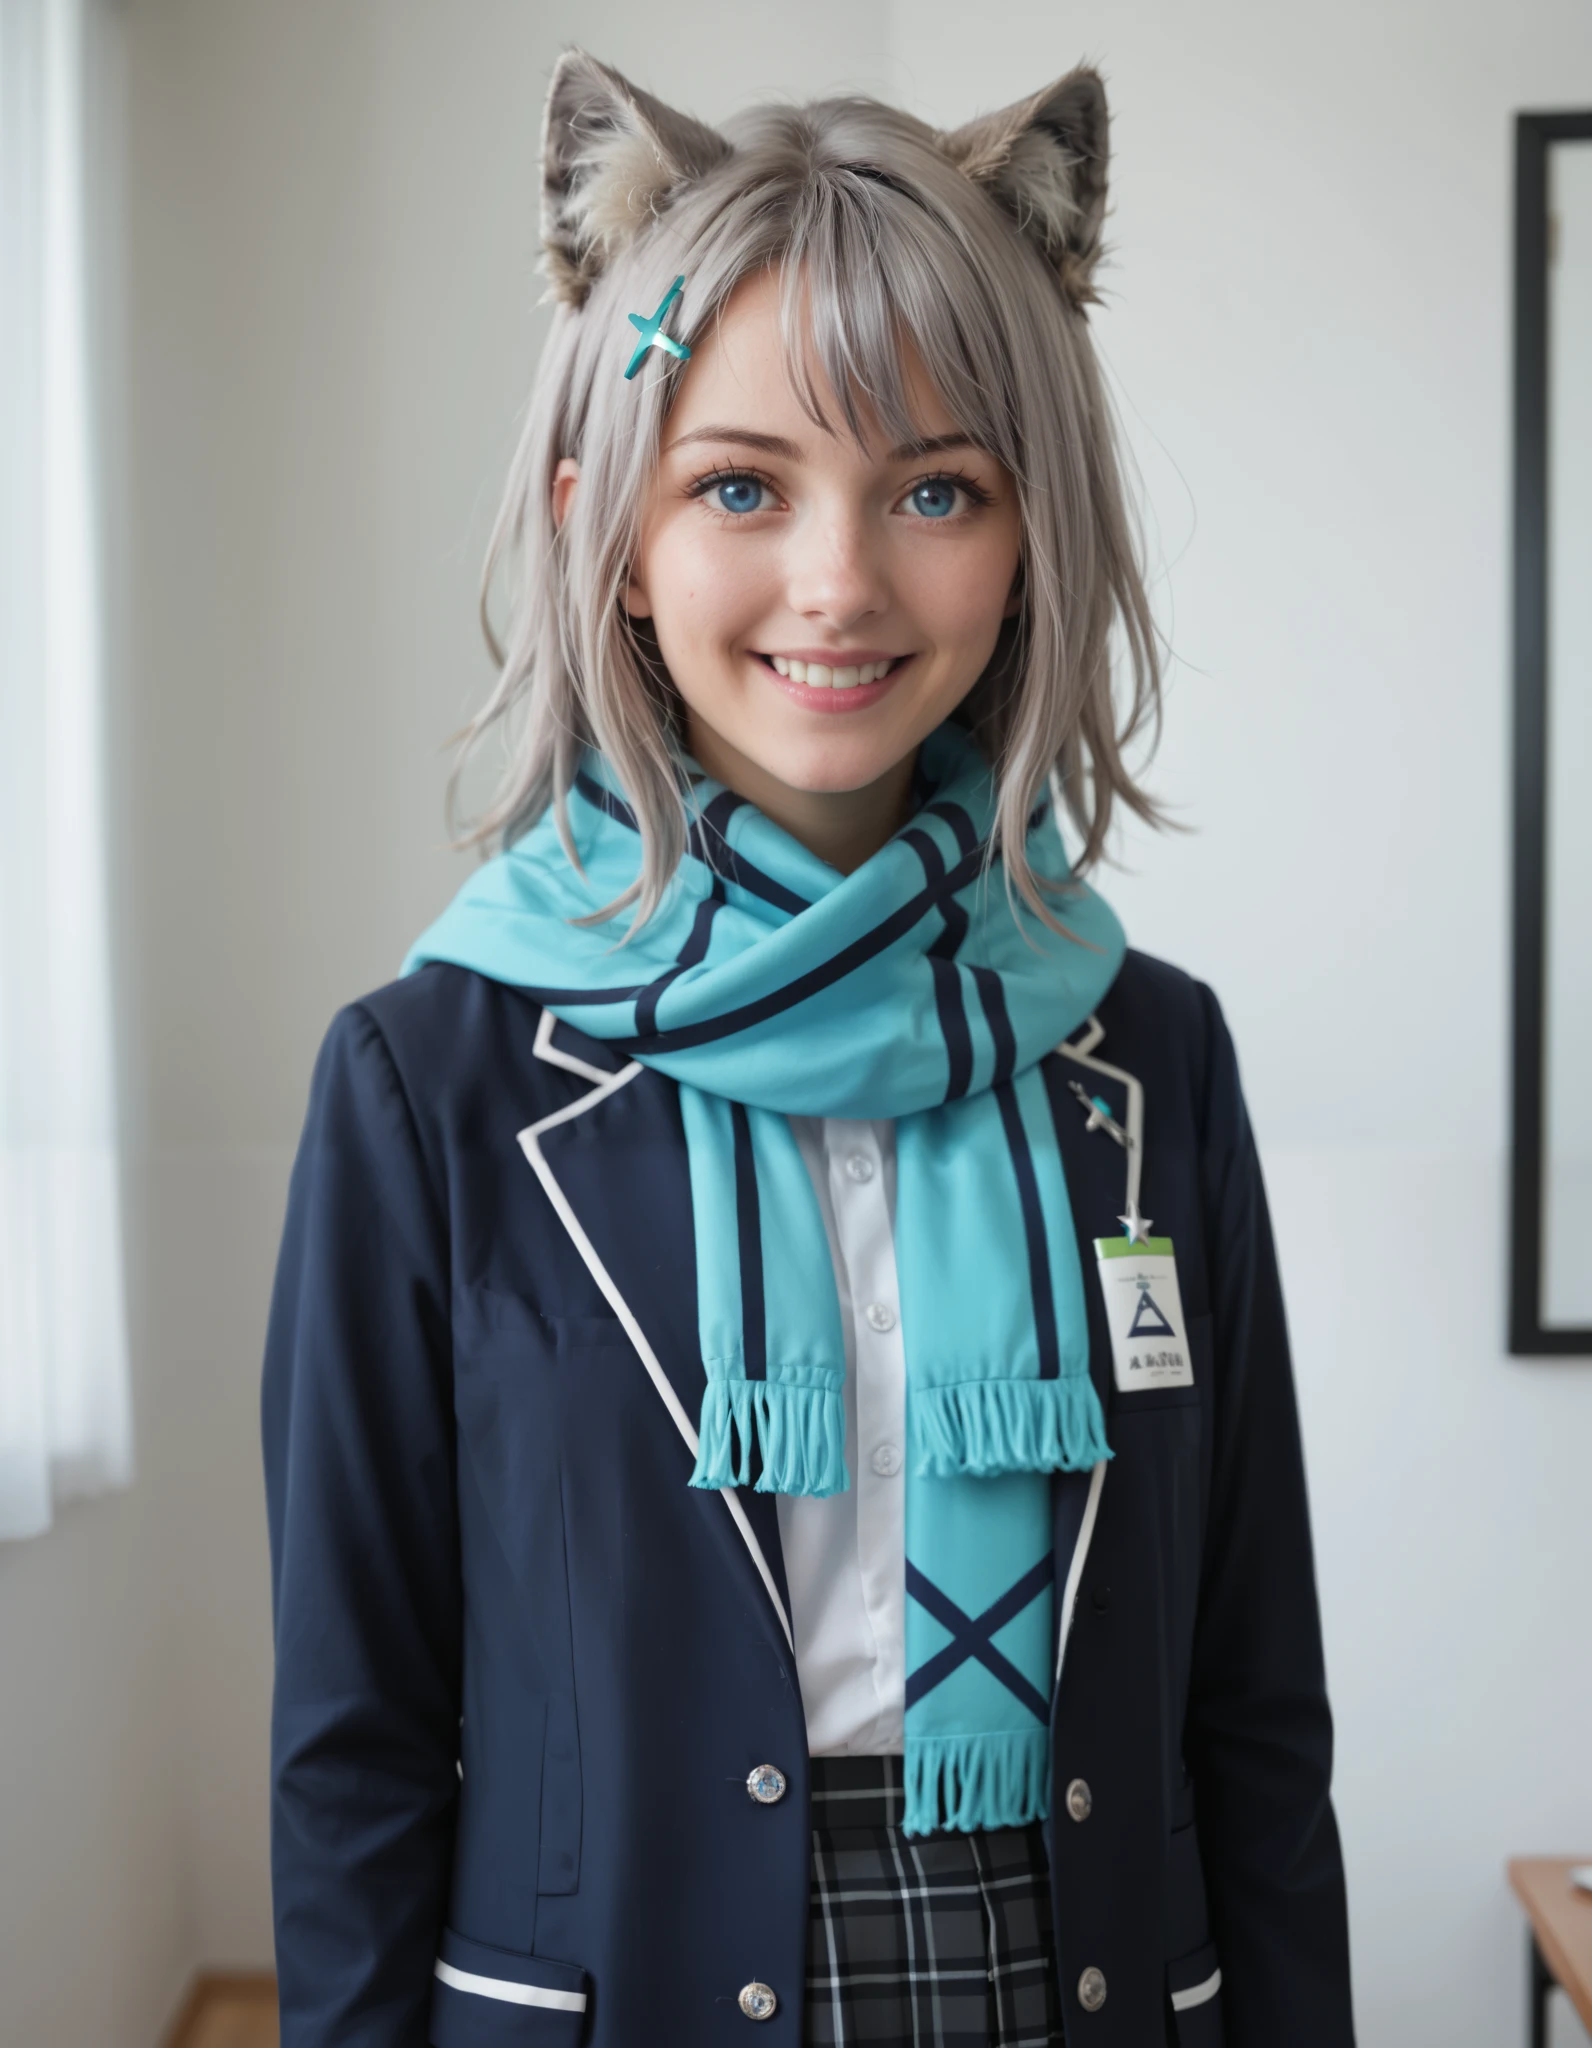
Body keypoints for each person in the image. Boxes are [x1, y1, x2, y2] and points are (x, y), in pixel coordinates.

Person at [261, 47, 1354, 2048]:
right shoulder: (430, 1085)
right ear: (608, 520)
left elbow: (1252, 1715)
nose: (838, 581)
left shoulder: (1155, 1064)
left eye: (934, 486)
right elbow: (354, 1747)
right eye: (741, 484)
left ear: (1030, 531)